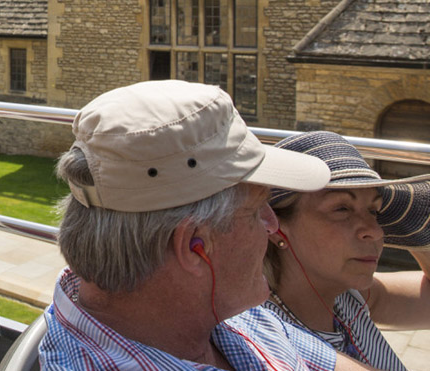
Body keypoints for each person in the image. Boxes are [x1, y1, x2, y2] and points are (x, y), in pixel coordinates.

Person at [39, 79, 376, 371]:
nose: (272, 226)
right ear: (194, 246)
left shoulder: (217, 309)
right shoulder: (216, 302)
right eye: (258, 209)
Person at [263, 131, 430, 370]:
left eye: (375, 212)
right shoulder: (265, 336)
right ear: (276, 227)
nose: (376, 230)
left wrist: (413, 227)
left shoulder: (347, 298)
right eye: (342, 209)